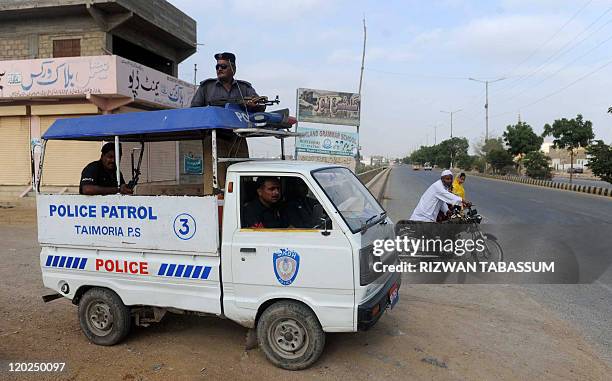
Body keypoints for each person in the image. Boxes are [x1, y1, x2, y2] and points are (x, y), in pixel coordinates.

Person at [190, 52, 265, 112]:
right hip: (213, 130)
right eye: (217, 67)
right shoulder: (206, 86)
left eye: (223, 66)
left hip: (239, 129)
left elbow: (261, 105)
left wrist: (254, 106)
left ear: (233, 69)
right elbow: (194, 110)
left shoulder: (244, 87)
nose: (219, 69)